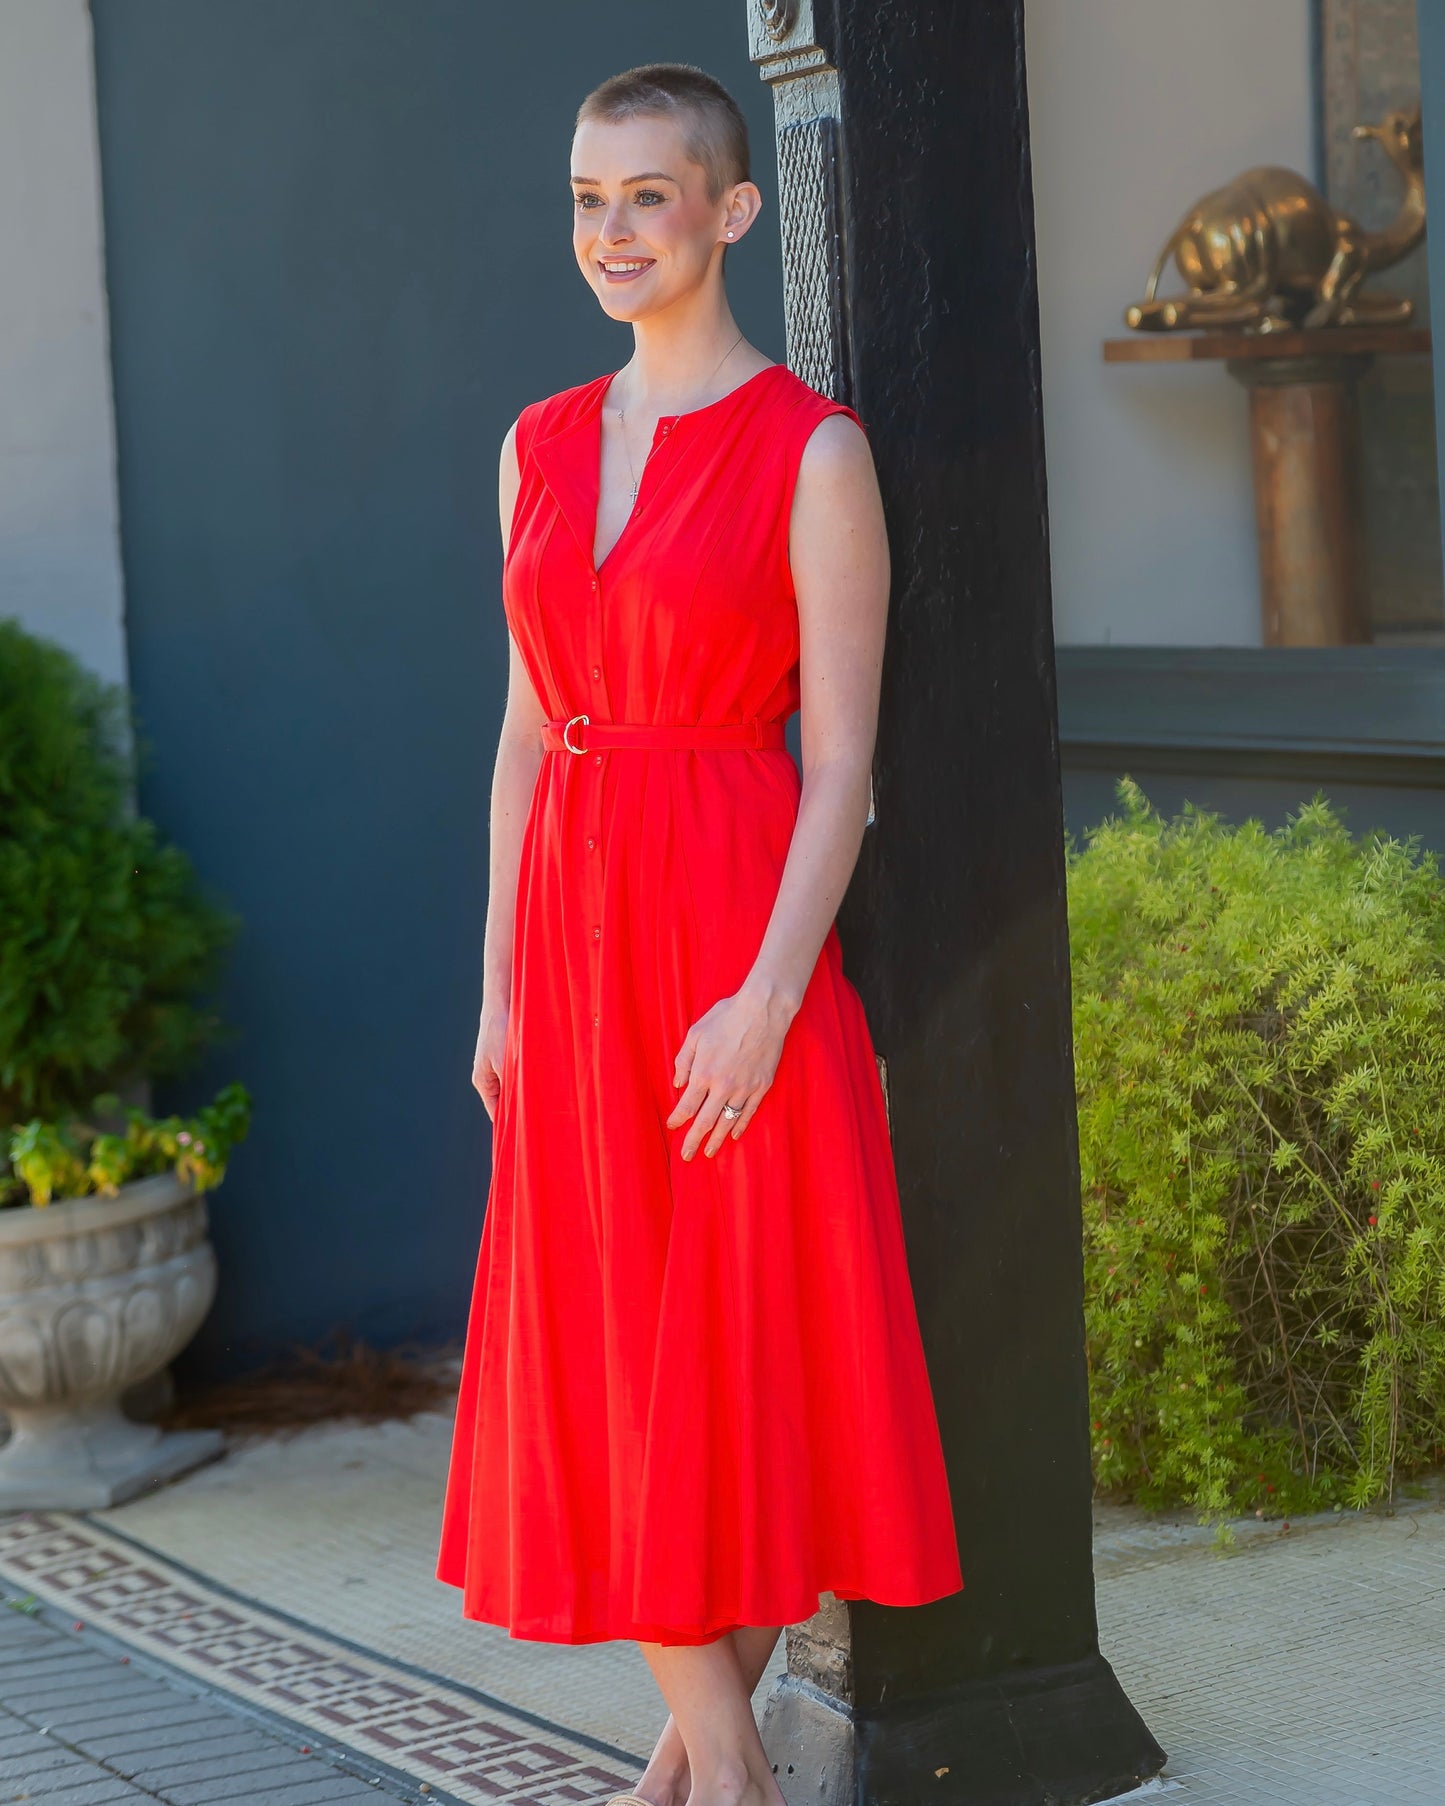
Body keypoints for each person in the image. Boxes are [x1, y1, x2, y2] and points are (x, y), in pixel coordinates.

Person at [435, 61, 962, 1806]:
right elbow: (521, 729)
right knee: (606, 1356)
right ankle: (711, 1768)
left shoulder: (814, 450)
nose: (611, 233)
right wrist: (498, 980)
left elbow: (844, 774)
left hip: (736, 950)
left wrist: (763, 998)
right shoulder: (532, 443)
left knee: (743, 1357)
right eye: (588, 201)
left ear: (731, 211)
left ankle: (704, 1776)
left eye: (646, 196)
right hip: (573, 964)